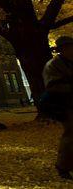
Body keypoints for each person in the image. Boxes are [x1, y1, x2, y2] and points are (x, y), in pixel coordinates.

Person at [43, 36, 73, 180]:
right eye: (68, 47)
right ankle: (63, 166)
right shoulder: (53, 65)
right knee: (71, 135)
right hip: (65, 105)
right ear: (62, 49)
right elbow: (52, 86)